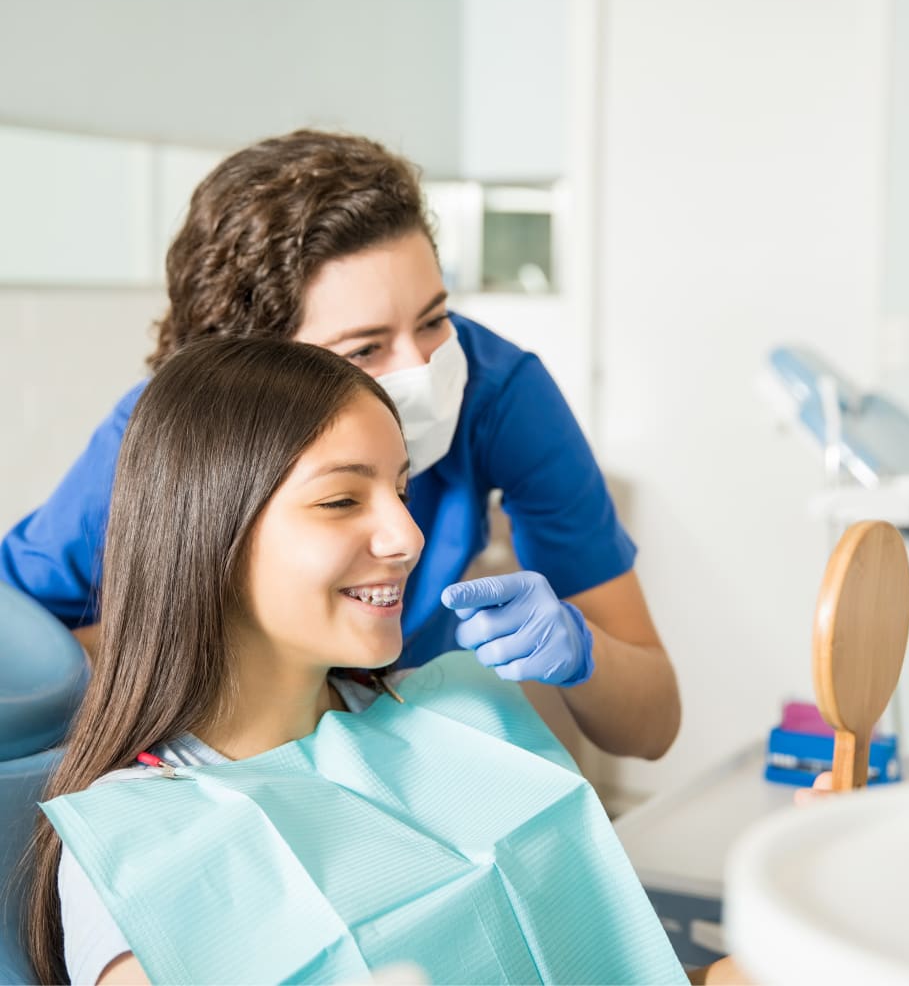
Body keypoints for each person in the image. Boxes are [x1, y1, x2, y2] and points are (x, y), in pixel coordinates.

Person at [27, 338, 735, 985]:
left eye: (402, 491)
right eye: (341, 500)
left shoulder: (465, 714)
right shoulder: (136, 843)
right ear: (210, 534)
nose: (407, 535)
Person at [0, 129, 679, 760]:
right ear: (248, 382)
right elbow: (25, 671)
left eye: (436, 318)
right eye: (364, 348)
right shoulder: (161, 446)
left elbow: (650, 724)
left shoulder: (496, 392)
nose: (423, 369)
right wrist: (194, 639)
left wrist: (579, 650)